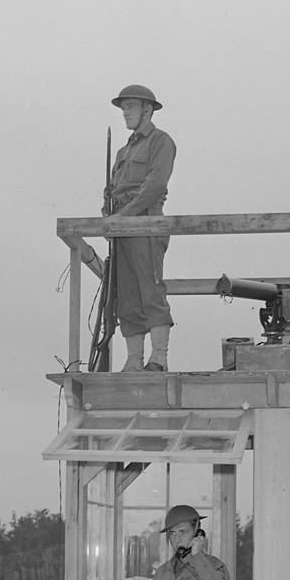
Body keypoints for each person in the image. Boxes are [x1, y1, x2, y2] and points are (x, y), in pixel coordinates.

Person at [103, 84, 176, 371]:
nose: (125, 112)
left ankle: (158, 357)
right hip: (122, 226)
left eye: (130, 106)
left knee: (150, 290)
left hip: (146, 220)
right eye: (123, 108)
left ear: (147, 109)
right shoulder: (123, 151)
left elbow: (155, 184)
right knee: (127, 295)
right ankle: (134, 360)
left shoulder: (160, 141)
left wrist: (126, 215)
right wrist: (108, 213)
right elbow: (113, 190)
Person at [150, 504, 230, 580]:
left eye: (183, 532)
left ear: (197, 534)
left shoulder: (215, 566)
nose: (177, 540)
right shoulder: (161, 572)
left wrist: (196, 556)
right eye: (172, 534)